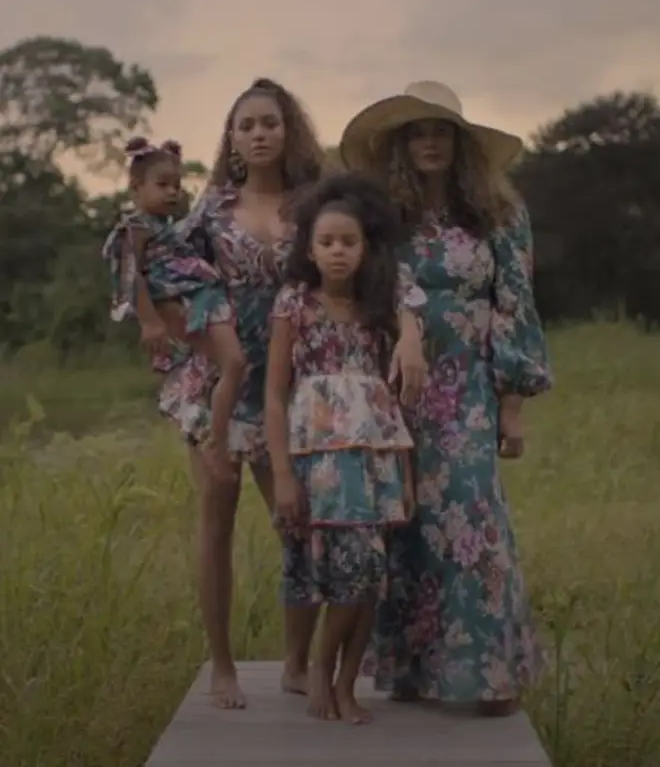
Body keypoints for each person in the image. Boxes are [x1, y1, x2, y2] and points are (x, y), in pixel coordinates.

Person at [156, 78, 428, 709]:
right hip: (223, 384)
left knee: (299, 525)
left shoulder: (315, 204)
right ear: (232, 136)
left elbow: (390, 271)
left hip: (300, 391)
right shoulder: (210, 212)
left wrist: (410, 329)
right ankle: (221, 665)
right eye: (246, 124)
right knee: (216, 523)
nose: (259, 134)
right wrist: (170, 331)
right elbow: (167, 275)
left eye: (270, 123)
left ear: (288, 130)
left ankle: (296, 661)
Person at [338, 81, 553, 715]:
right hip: (397, 383)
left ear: (459, 144)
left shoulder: (500, 216)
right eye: (418, 132)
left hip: (471, 387)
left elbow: (516, 304)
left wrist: (512, 402)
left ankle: (486, 677)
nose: (430, 141)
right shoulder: (382, 217)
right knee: (406, 522)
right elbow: (364, 286)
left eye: (441, 131)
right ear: (403, 146)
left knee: (472, 517)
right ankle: (413, 672)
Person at [265, 172, 418, 724]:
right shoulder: (294, 305)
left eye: (348, 242)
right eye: (327, 242)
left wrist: (405, 470)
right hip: (317, 464)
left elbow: (386, 402)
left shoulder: (377, 307)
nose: (337, 252)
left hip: (371, 463)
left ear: (364, 247)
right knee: (332, 574)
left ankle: (344, 679)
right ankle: (319, 670)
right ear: (309, 248)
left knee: (369, 575)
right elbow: (276, 395)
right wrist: (281, 473)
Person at [101, 137, 245, 481]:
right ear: (136, 188)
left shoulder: (168, 228)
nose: (172, 193)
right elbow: (132, 276)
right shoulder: (134, 228)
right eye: (162, 185)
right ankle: (218, 439)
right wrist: (150, 322)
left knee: (218, 371)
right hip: (180, 307)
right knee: (233, 363)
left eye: (177, 186)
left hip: (199, 299)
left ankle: (211, 434)